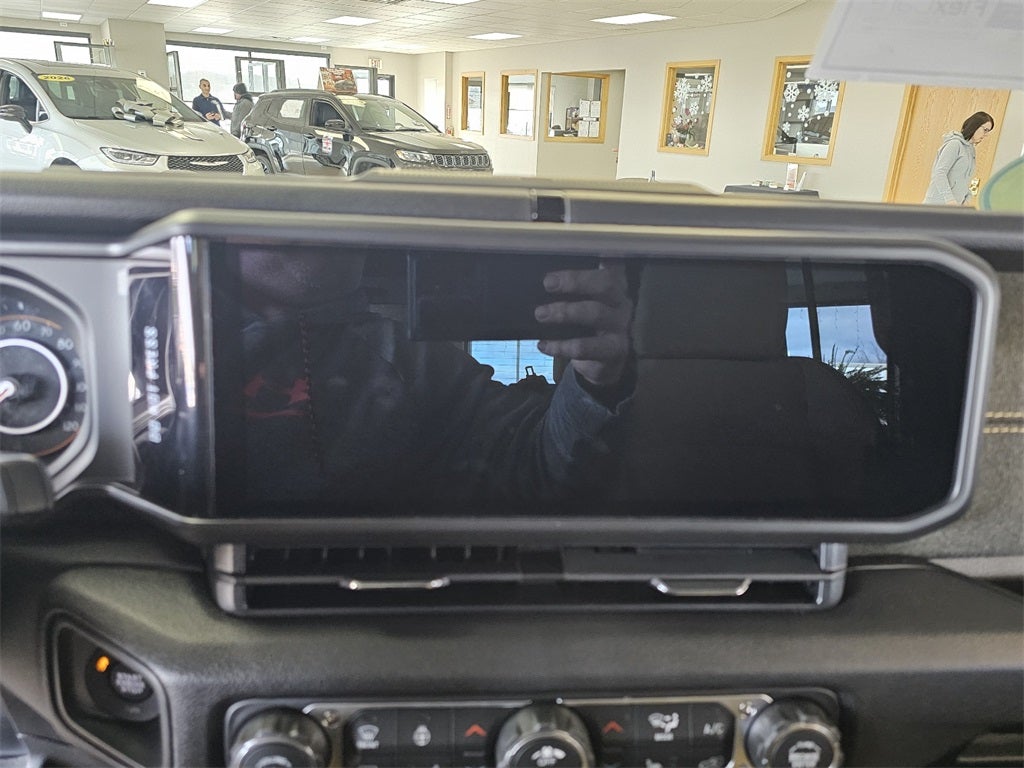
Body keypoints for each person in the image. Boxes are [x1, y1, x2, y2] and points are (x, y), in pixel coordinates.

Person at [234, 247, 635, 506]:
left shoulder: (411, 361)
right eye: (273, 201)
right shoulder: (195, 319)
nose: (306, 229)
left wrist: (594, 376)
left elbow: (536, 464)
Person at [922, 111, 994, 206]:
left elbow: (965, 179)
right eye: (985, 130)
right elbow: (939, 173)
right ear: (975, 125)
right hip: (938, 203)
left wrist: (967, 199)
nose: (986, 134)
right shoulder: (955, 144)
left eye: (988, 131)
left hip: (956, 205)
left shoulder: (971, 150)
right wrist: (949, 199)